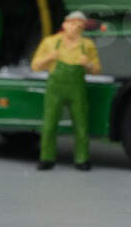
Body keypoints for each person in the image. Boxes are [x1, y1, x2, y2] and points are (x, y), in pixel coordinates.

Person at [30, 11, 102, 171]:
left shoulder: (87, 45)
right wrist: (49, 57)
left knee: (81, 124)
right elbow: (35, 66)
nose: (76, 27)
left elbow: (97, 70)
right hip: (55, 89)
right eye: (73, 23)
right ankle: (47, 158)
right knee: (49, 124)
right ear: (65, 24)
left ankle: (82, 159)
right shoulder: (50, 42)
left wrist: (88, 64)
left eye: (80, 26)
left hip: (77, 89)